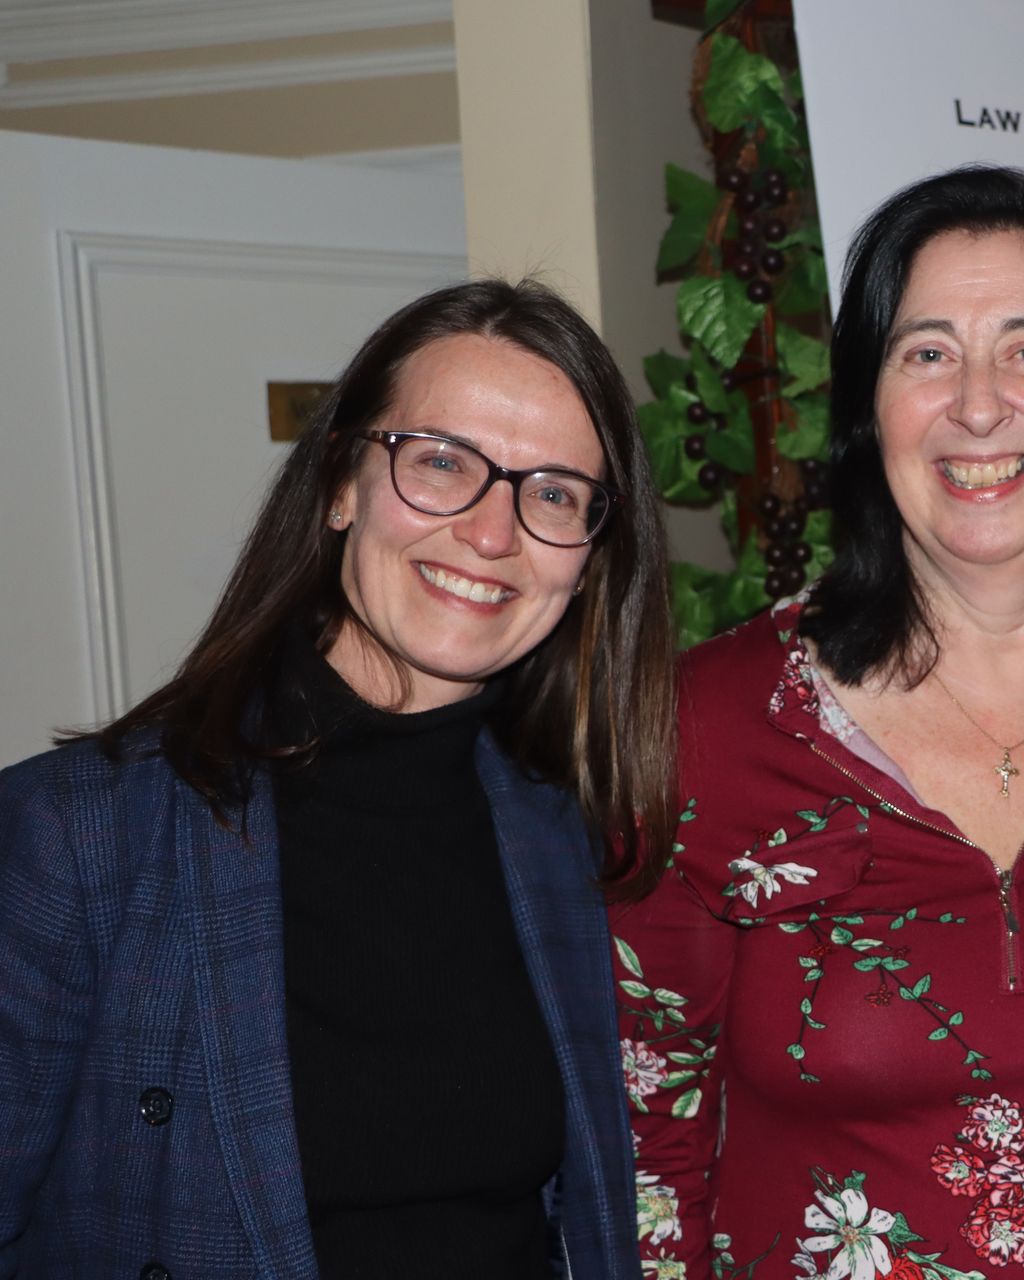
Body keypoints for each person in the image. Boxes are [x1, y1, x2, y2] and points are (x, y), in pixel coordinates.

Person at [610, 166, 1024, 1277]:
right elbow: (643, 1145)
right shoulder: (700, 723)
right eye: (926, 355)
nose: (978, 404)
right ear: (870, 408)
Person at [0, 279, 676, 1279]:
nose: (494, 533)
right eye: (441, 461)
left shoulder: (568, 834)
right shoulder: (79, 835)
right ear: (339, 484)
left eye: (553, 493)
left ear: (591, 556)